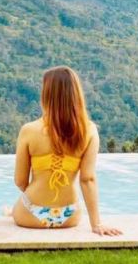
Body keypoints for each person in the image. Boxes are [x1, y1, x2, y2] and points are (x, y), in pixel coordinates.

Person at [12, 66, 122, 236]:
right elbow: (88, 179)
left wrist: (37, 198)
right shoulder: (90, 131)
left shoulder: (29, 130)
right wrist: (97, 224)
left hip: (30, 213)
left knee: (13, 208)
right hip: (69, 216)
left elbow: (20, 181)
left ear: (47, 95)